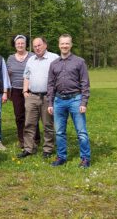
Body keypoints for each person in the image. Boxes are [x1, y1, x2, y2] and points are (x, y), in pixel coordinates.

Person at [47, 34, 91, 168]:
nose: (64, 46)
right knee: (59, 132)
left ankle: (85, 158)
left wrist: (83, 102)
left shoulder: (79, 62)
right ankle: (61, 157)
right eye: (62, 43)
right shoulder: (54, 64)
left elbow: (85, 83)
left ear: (71, 45)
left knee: (81, 132)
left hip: (75, 100)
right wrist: (50, 103)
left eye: (67, 43)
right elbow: (50, 85)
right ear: (59, 45)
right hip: (59, 101)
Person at [18, 37, 59, 159]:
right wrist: (25, 91)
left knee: (48, 124)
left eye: (39, 45)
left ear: (45, 45)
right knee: (29, 124)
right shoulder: (31, 60)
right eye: (35, 46)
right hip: (32, 96)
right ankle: (28, 148)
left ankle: (48, 149)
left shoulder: (54, 58)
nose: (37, 48)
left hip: (48, 97)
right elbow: (26, 76)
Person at [7, 35, 40, 149]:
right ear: (15, 45)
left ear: (26, 44)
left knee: (32, 114)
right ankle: (22, 140)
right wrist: (7, 91)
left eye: (22, 43)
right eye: (18, 43)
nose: (20, 45)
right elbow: (7, 74)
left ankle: (35, 139)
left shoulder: (32, 56)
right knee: (19, 116)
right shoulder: (10, 58)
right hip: (16, 90)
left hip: (31, 90)